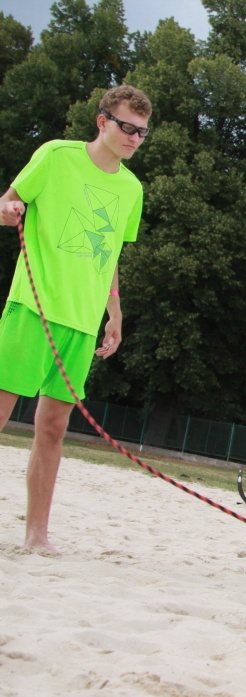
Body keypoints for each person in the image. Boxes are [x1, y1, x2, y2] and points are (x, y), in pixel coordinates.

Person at [0, 85, 149, 551]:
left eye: (142, 132)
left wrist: (115, 312)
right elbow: (8, 204)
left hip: (82, 324)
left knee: (52, 429)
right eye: (127, 127)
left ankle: (36, 536)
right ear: (103, 121)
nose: (134, 138)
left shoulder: (131, 189)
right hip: (32, 309)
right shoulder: (56, 156)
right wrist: (10, 208)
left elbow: (110, 257)